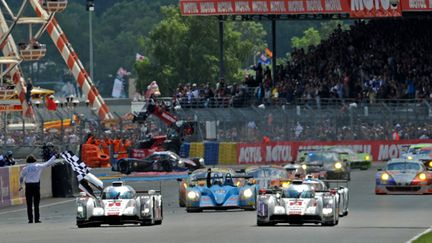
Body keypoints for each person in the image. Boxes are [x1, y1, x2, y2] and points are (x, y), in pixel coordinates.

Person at [19, 154, 60, 223]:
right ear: (34, 160)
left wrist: (21, 185)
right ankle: (37, 219)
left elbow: (21, 177)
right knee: (36, 203)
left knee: (29, 204)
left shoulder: (25, 168)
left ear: (27, 161)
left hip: (28, 186)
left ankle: (30, 219)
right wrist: (54, 156)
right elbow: (47, 163)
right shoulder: (38, 166)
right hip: (36, 185)